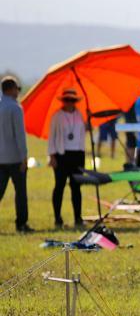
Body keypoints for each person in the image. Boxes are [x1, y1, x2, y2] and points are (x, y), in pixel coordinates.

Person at [48, 88, 86, 229]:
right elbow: (51, 137)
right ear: (63, 101)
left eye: (72, 100)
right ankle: (58, 218)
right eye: (67, 100)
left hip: (77, 154)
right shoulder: (57, 116)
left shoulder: (79, 115)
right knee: (59, 186)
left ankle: (78, 217)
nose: (70, 103)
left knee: (76, 188)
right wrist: (52, 156)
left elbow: (82, 133)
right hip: (61, 155)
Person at [0, 76, 32, 232]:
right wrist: (24, 157)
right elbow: (20, 135)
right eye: (17, 89)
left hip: (0, 158)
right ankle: (21, 223)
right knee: (20, 193)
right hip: (14, 158)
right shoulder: (15, 108)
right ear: (11, 89)